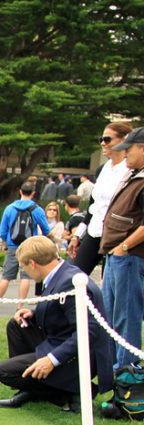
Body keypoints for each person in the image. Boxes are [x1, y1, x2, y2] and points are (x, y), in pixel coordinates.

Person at [0, 236, 112, 412]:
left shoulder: (69, 283)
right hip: (60, 339)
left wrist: (51, 360)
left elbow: (88, 331)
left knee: (5, 372)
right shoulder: (61, 273)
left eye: (24, 268)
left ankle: (69, 390)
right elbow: (62, 314)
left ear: (33, 264)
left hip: (82, 355)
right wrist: (33, 315)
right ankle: (35, 388)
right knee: (16, 326)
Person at [100, 127, 144, 373]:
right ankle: (113, 374)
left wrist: (124, 247)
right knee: (111, 319)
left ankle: (126, 376)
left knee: (126, 320)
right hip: (118, 257)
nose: (124, 154)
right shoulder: (134, 175)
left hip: (130, 258)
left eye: (128, 149)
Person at [70, 122, 133, 276]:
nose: (103, 143)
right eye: (101, 139)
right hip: (95, 230)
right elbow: (93, 207)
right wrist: (78, 234)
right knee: (74, 277)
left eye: (107, 139)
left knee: (109, 283)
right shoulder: (101, 170)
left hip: (117, 233)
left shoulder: (130, 169)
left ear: (123, 140)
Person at [0, 181, 50, 313]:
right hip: (29, 246)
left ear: (20, 192)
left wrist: (7, 241)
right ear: (33, 193)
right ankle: (20, 306)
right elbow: (46, 229)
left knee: (6, 276)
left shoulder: (10, 208)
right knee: (25, 277)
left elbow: (3, 230)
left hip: (12, 246)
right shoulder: (37, 209)